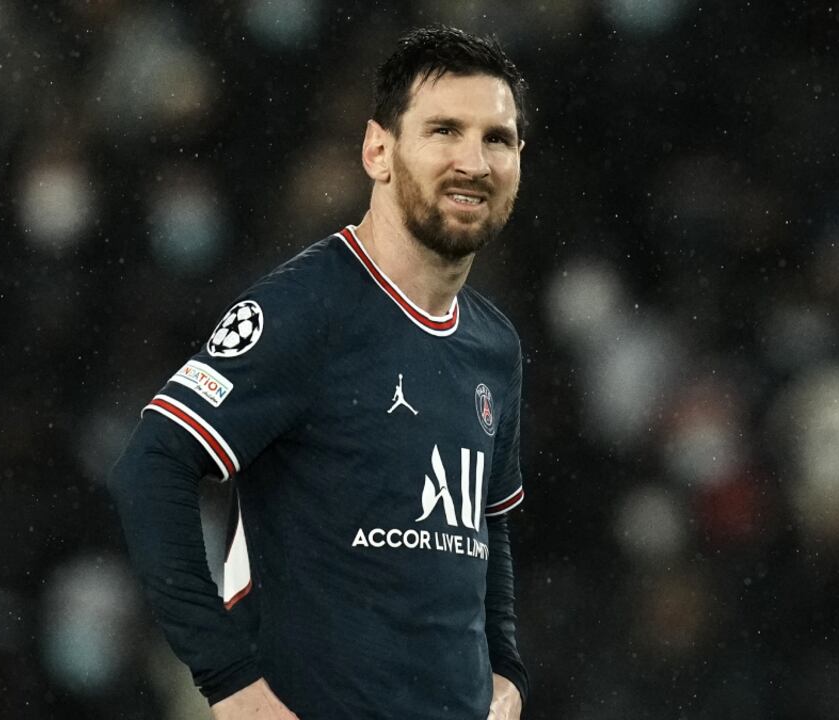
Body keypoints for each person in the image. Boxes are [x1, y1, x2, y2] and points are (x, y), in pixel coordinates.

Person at [109, 25, 530, 720]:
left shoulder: (494, 344)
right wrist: (230, 683)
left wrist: (506, 672)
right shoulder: (306, 309)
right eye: (444, 131)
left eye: (497, 138)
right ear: (378, 151)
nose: (474, 161)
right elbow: (151, 468)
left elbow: (488, 525)